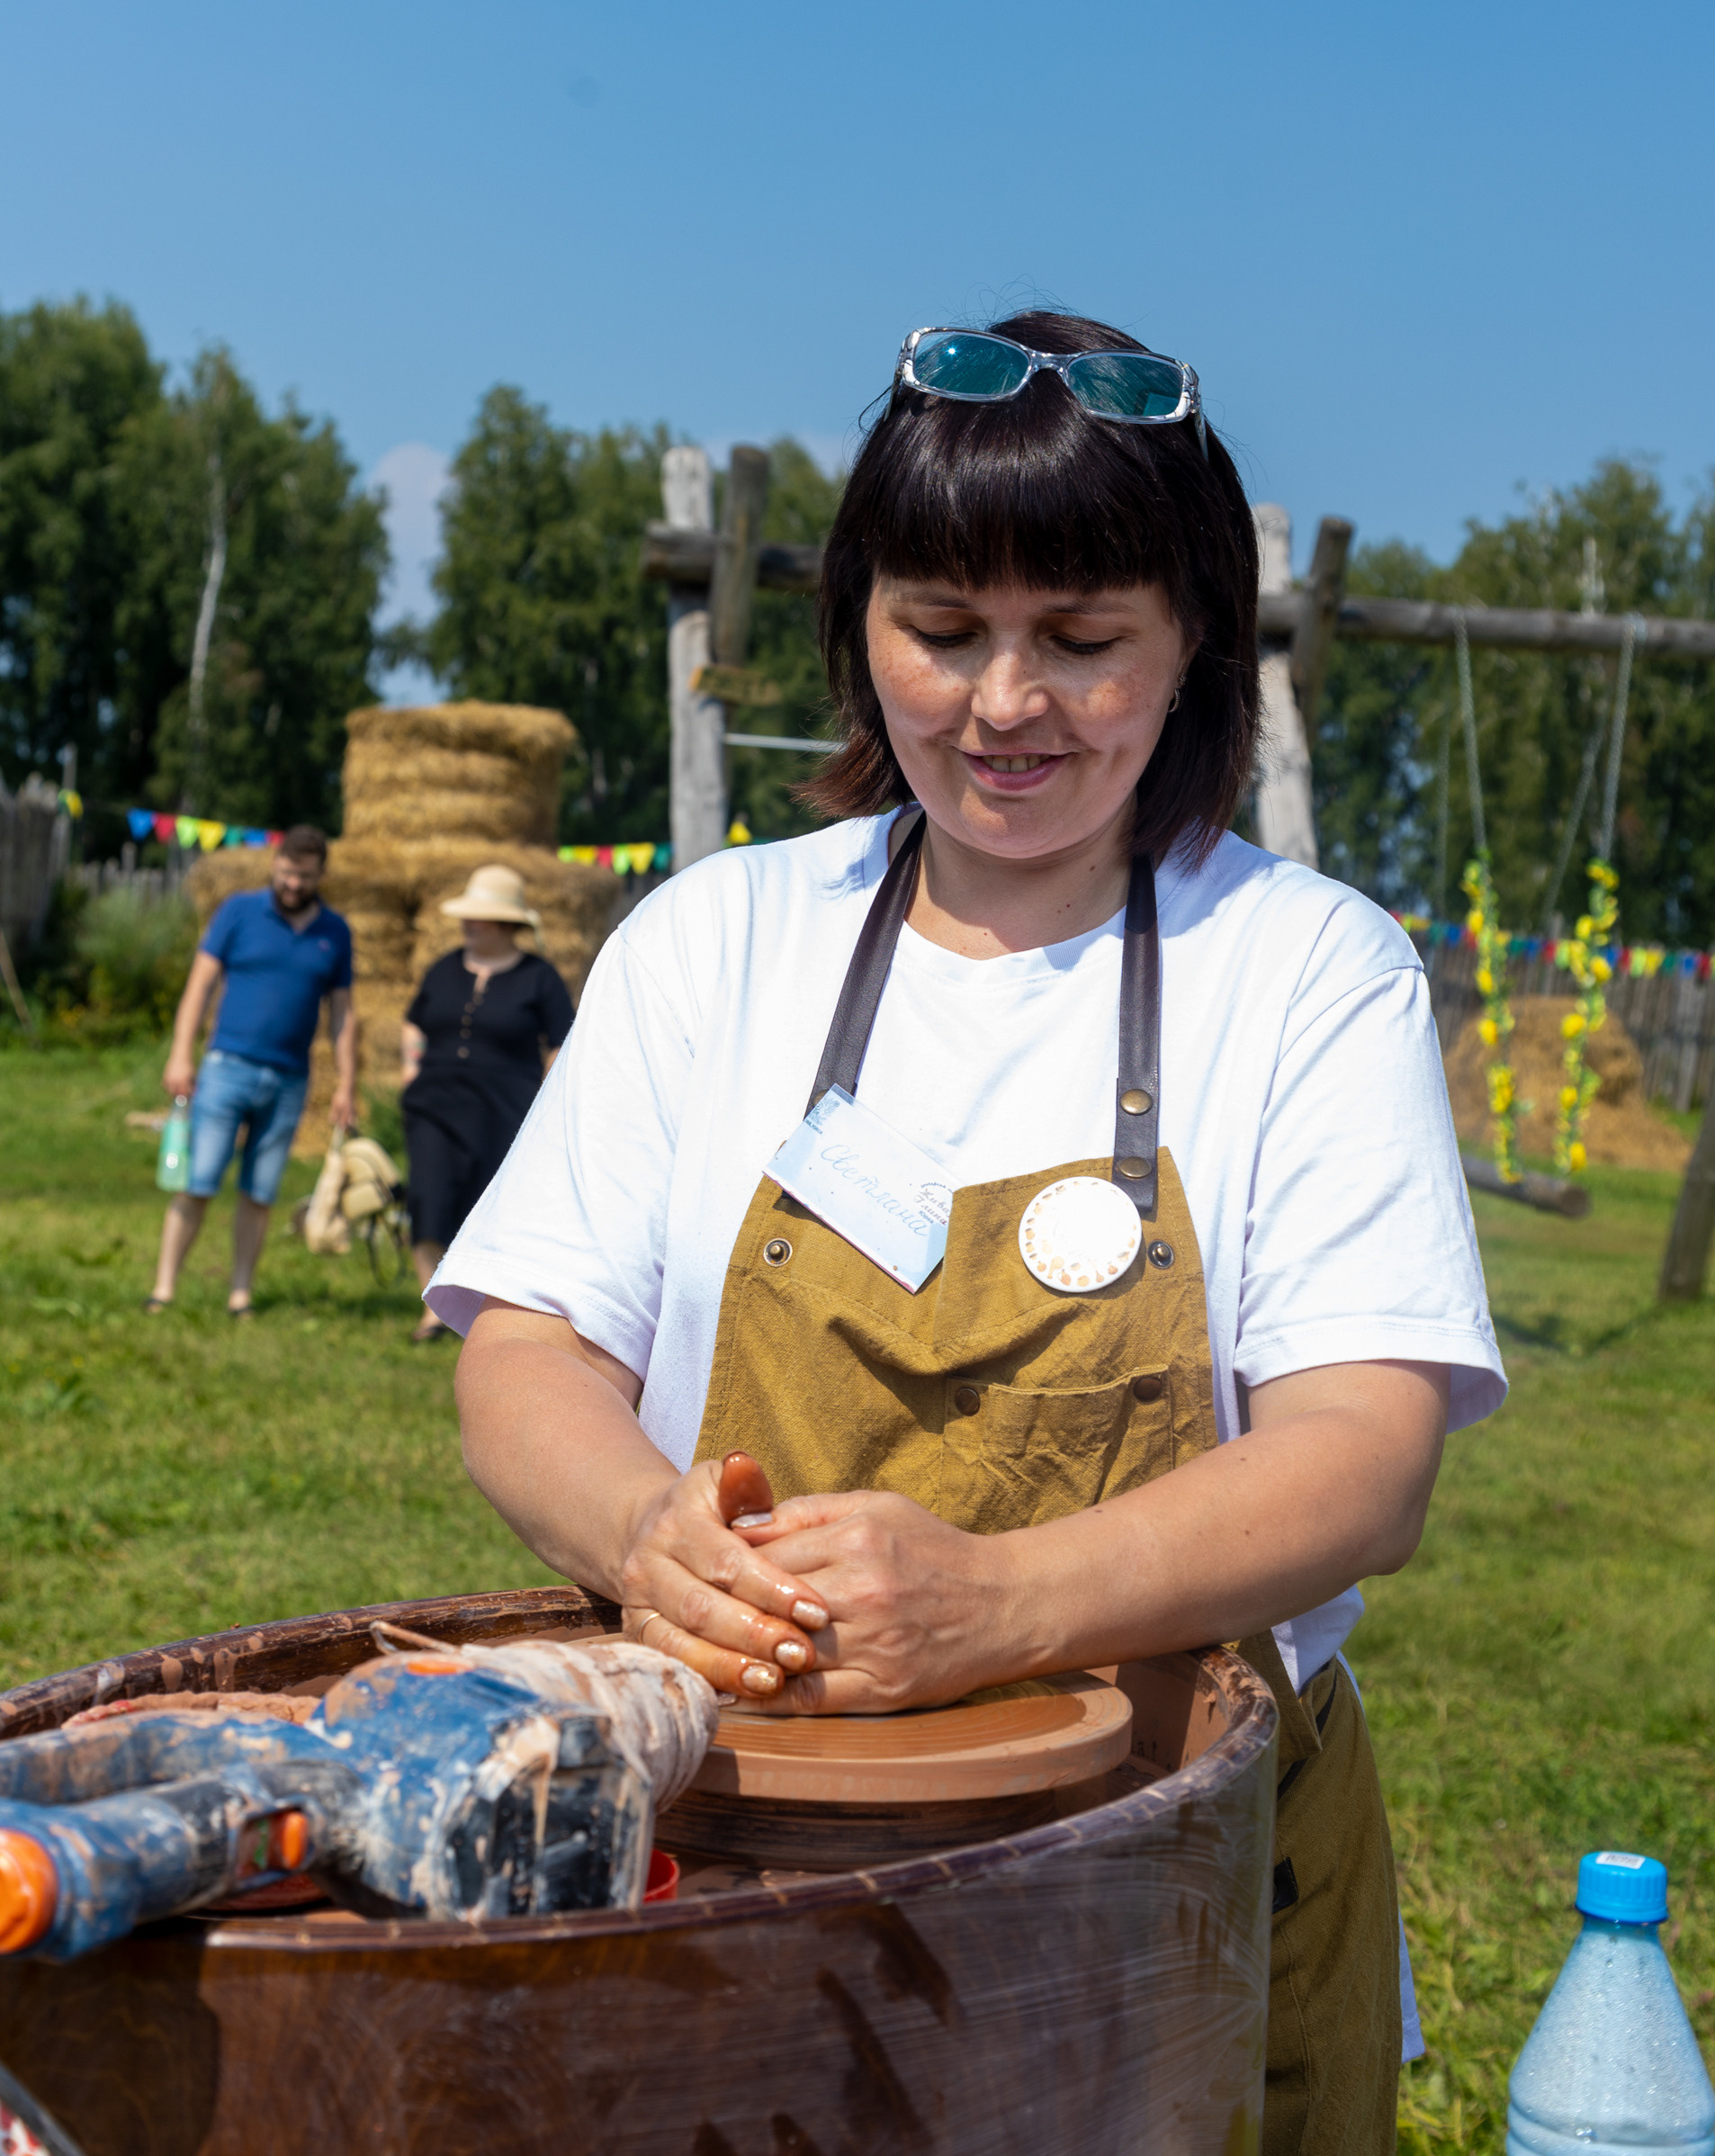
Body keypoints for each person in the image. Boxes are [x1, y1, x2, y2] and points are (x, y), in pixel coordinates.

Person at [428, 311, 1504, 2152]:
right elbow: (528, 1347)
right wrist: (642, 1532)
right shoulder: (720, 941)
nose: (1003, 705)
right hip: (752, 1866)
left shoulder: (1304, 972)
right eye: (941, 631)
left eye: (1082, 644)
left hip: (1168, 1881)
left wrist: (1000, 1602)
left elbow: (1360, 1459)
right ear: (860, 624)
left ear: (1190, 653)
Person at [148, 826, 355, 1319]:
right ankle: (164, 1288)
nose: (292, 884)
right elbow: (198, 987)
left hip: (288, 1080)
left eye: (303, 876)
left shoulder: (336, 932)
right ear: (275, 865)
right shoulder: (238, 911)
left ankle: (240, 1293)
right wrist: (181, 1054)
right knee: (198, 1182)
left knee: (259, 1192)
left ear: (320, 874)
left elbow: (344, 1014)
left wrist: (347, 1082)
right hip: (226, 1068)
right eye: (286, 872)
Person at [400, 865, 574, 1343]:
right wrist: (411, 1066)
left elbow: (562, 1041)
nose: (469, 924)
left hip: (504, 1108)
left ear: (506, 924)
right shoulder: (444, 967)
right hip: (433, 1100)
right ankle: (431, 1310)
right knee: (428, 1196)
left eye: (482, 917)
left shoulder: (540, 978)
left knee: (486, 1206)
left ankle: (479, 1307)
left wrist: (547, 1097)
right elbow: (414, 1021)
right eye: (469, 916)